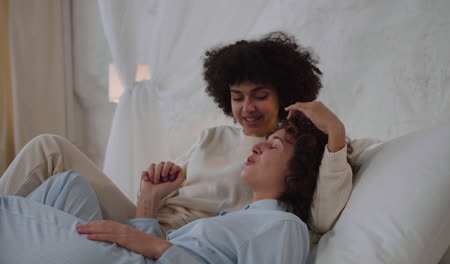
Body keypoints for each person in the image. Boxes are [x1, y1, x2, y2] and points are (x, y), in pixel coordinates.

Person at [0, 32, 357, 243]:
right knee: (50, 150)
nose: (247, 107)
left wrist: (335, 133)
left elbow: (323, 218)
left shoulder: (291, 152)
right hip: (143, 220)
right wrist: (151, 192)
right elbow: (156, 198)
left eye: (259, 95)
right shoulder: (212, 137)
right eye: (237, 97)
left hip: (177, 245)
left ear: (284, 93)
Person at [0, 117, 327, 263]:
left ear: (295, 175)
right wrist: (150, 199)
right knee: (66, 186)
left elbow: (156, 251)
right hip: (139, 249)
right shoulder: (245, 216)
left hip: (143, 255)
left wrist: (156, 247)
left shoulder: (283, 227)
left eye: (274, 146)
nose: (257, 148)